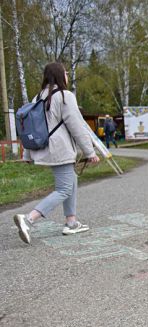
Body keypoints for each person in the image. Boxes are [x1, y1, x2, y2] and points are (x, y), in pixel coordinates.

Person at [13, 62, 100, 244]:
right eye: (66, 72)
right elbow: (76, 125)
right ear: (60, 76)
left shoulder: (37, 97)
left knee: (71, 181)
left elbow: (30, 127)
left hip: (44, 148)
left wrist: (27, 155)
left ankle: (71, 222)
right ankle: (28, 220)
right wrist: (89, 152)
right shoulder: (64, 95)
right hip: (59, 150)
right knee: (63, 189)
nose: (67, 75)